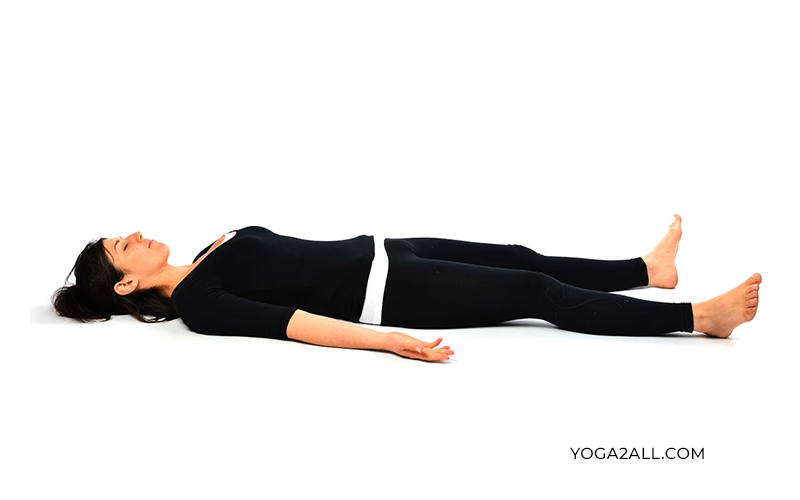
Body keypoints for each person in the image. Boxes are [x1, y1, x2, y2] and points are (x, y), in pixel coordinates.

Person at [52, 215, 761, 362]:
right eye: (123, 245)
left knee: (521, 255)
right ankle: (699, 317)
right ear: (128, 281)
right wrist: (389, 342)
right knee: (536, 291)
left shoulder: (212, 246)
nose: (135, 233)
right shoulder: (199, 305)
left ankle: (647, 271)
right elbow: (295, 323)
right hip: (392, 294)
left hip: (393, 251)